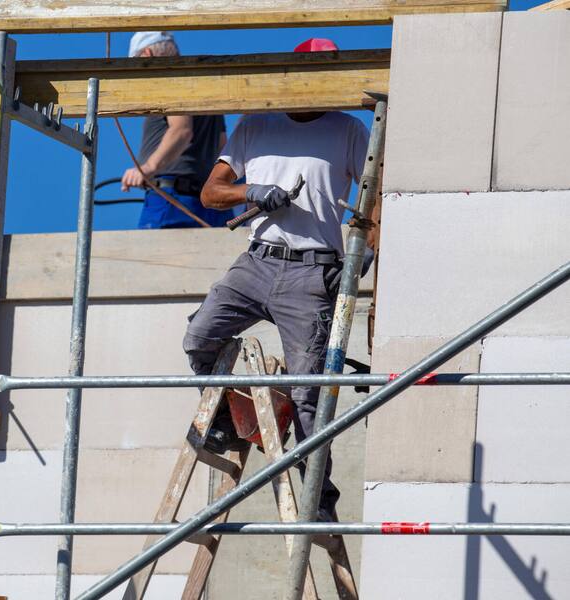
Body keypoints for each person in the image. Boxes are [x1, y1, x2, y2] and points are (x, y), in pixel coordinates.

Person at [182, 38, 371, 522]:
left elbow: (379, 194)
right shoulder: (255, 126)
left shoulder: (348, 129)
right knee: (201, 335)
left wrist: (368, 251)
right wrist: (253, 191)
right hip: (257, 261)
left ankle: (317, 502)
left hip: (313, 272)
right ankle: (226, 417)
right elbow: (211, 192)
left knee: (309, 395)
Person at [121, 31, 233, 229]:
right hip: (209, 202)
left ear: (147, 54)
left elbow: (181, 130)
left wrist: (147, 168)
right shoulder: (203, 91)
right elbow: (223, 146)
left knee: (151, 258)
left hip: (172, 200)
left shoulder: (169, 82)